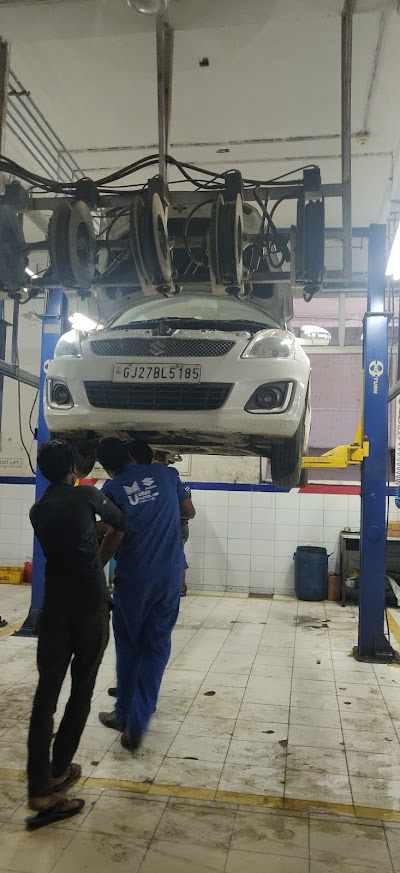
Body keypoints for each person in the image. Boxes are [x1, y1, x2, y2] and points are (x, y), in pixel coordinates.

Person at [26, 440, 124, 831]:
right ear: (72, 467)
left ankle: (38, 787)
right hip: (89, 606)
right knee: (81, 690)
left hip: (53, 610)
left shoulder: (39, 509)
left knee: (44, 697)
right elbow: (121, 524)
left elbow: (68, 534)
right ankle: (59, 771)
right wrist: (100, 559)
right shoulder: (88, 495)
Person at [96, 437, 195, 750]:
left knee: (128, 647)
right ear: (129, 454)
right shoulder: (166, 475)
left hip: (134, 578)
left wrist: (94, 567)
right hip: (169, 576)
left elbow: (113, 532)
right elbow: (188, 512)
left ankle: (123, 713)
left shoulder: (110, 491)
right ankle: (138, 722)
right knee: (156, 647)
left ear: (106, 467)